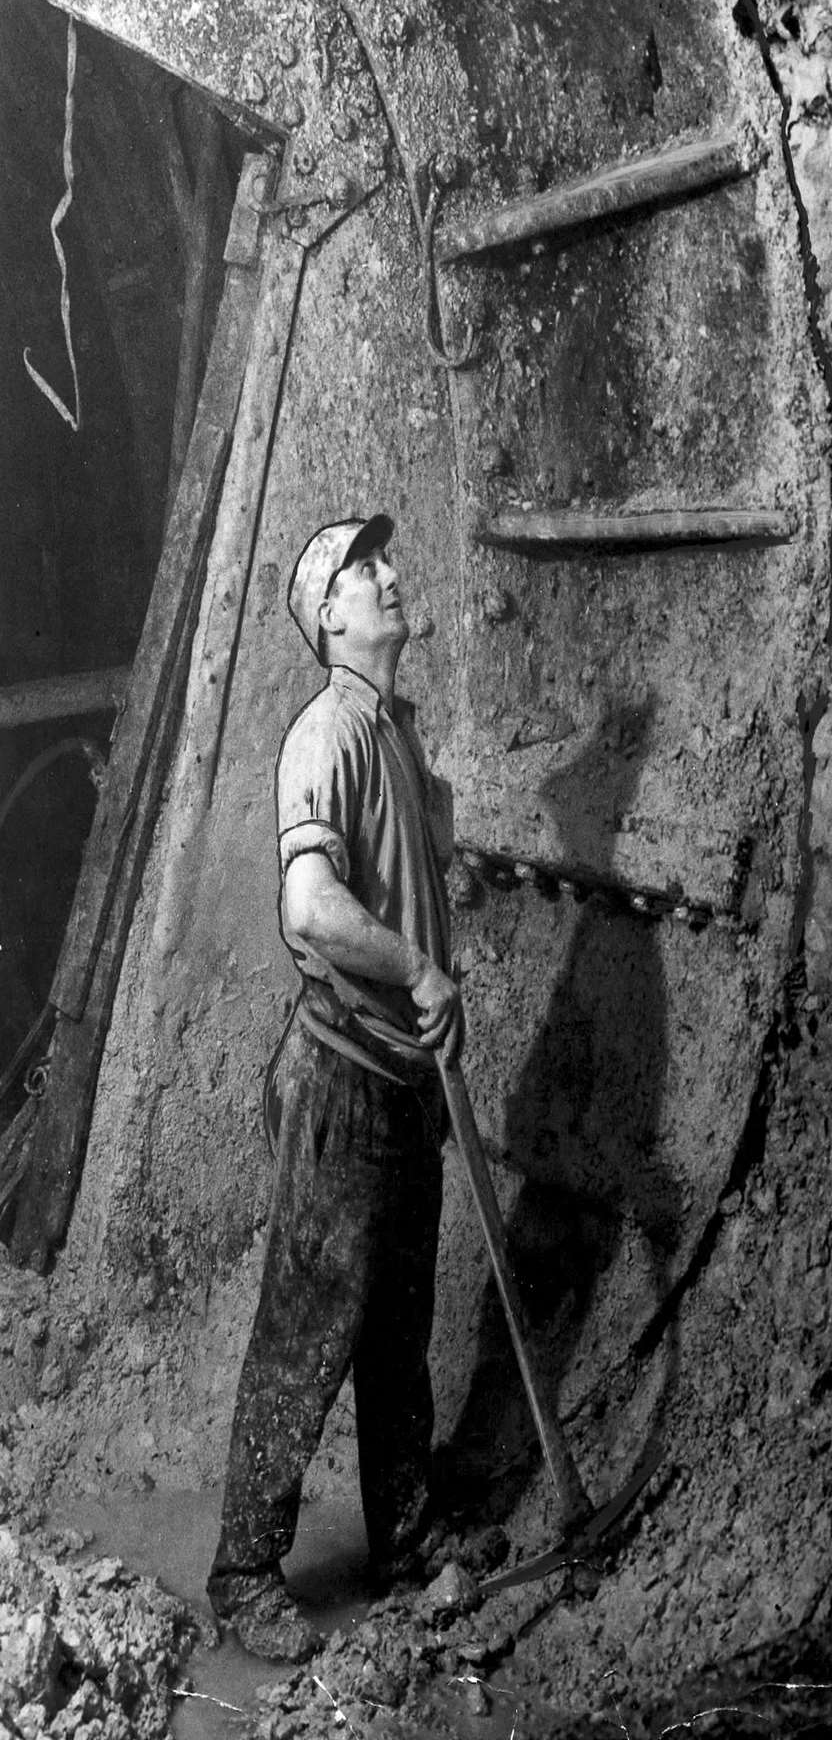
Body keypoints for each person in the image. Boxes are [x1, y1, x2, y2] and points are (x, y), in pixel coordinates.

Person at [206, 513, 463, 1662]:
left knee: (398, 1330)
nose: (389, 578)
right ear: (329, 621)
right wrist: (413, 968)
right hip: (342, 1083)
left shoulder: (392, 733)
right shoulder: (326, 735)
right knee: (307, 1329)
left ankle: (405, 1538)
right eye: (363, 573)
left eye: (385, 564)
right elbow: (310, 909)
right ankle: (245, 1577)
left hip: (402, 1078)